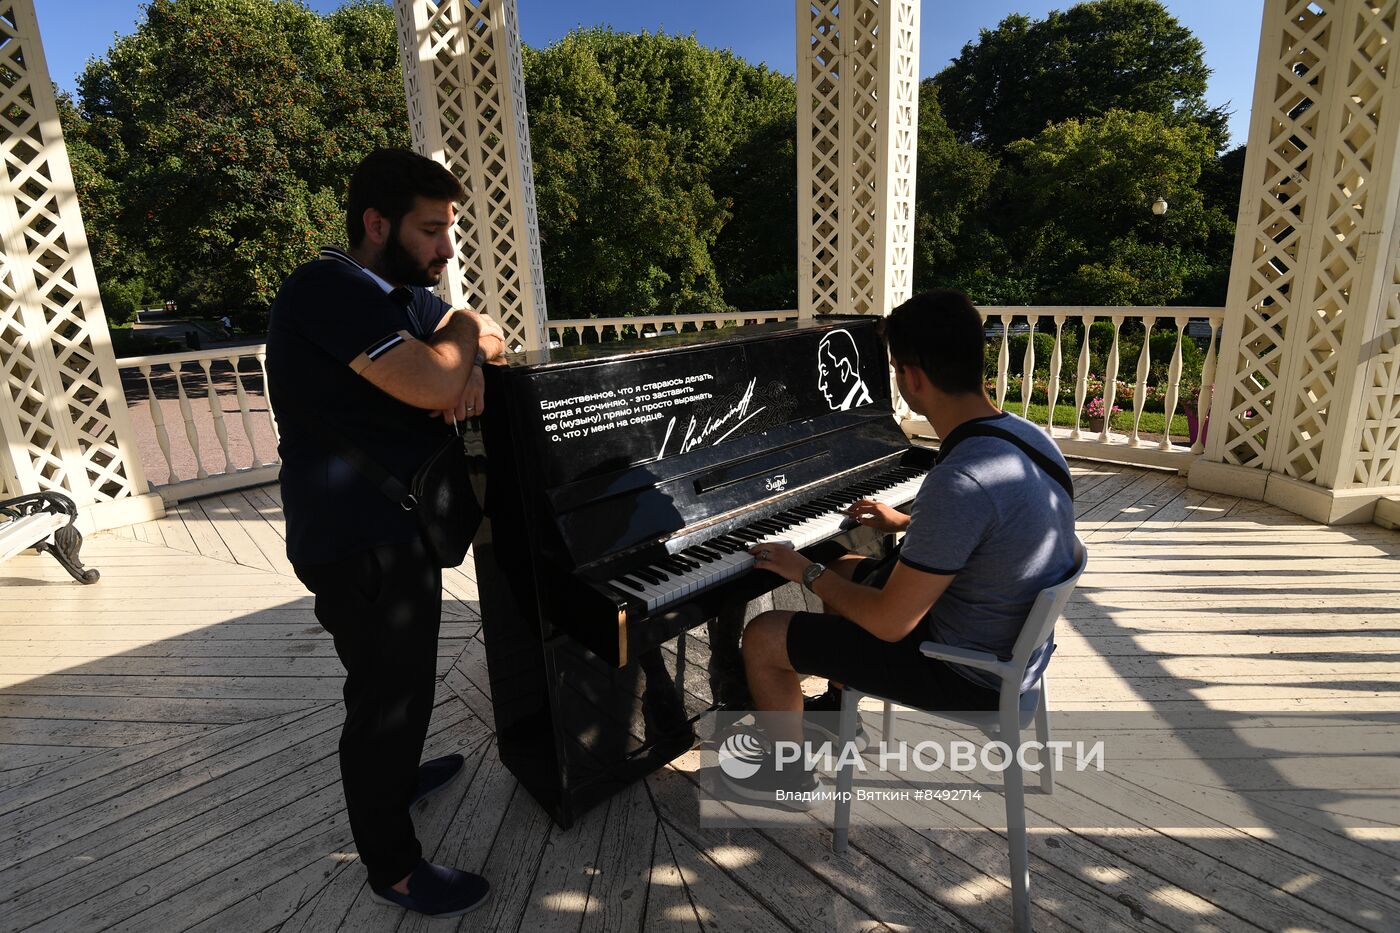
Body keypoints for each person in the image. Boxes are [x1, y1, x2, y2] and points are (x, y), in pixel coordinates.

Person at [266, 148, 505, 917]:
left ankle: (397, 777)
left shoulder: (397, 295)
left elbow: (490, 339)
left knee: (402, 681)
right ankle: (393, 865)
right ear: (377, 224)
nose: (447, 249)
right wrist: (455, 348)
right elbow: (444, 368)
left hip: (394, 525)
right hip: (354, 536)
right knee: (384, 701)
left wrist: (460, 347)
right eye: (432, 230)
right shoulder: (327, 288)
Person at [724, 289, 1077, 806]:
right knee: (845, 563)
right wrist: (908, 521)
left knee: (763, 634)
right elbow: (995, 523)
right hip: (1014, 645)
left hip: (965, 671)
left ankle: (787, 777)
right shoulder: (1029, 438)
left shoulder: (962, 479)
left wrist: (804, 571)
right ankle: (840, 710)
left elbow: (892, 623)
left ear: (912, 376)